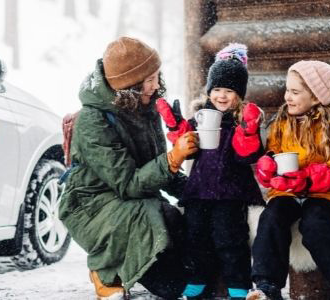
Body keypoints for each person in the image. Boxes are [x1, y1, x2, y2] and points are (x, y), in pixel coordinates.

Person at [58, 37, 198, 300]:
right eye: (148, 80)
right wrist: (172, 159)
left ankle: (132, 266)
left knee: (180, 227)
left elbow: (159, 172)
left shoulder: (145, 108)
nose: (156, 85)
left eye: (157, 76)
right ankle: (104, 270)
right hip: (91, 206)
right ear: (129, 86)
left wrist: (199, 191)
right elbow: (128, 183)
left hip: (137, 201)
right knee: (168, 280)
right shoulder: (93, 120)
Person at [247, 59, 330, 300]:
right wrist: (269, 166)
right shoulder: (281, 123)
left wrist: (307, 180)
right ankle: (266, 287)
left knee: (316, 224)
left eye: (295, 92)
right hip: (286, 191)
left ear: (316, 97)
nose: (287, 96)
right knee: (271, 217)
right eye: (287, 90)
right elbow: (273, 151)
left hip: (325, 193)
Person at [157, 43, 265, 299]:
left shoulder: (242, 121)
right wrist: (175, 125)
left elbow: (246, 154)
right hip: (199, 191)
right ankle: (196, 279)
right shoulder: (201, 117)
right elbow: (188, 144)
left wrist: (248, 130)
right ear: (209, 91)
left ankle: (239, 286)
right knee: (195, 236)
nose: (222, 96)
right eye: (217, 89)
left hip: (231, 193)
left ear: (239, 94)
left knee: (230, 239)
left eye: (229, 90)